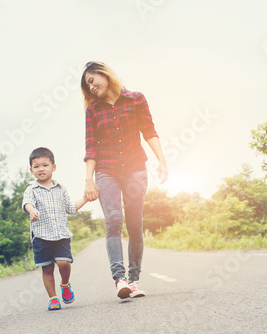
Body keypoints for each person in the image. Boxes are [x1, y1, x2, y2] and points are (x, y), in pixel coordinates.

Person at [80, 61, 168, 299]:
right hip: (106, 170)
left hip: (134, 168)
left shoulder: (136, 98)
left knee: (134, 223)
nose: (91, 88)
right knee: (114, 220)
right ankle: (120, 280)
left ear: (105, 75)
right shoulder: (92, 111)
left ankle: (135, 280)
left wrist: (162, 161)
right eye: (87, 86)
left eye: (92, 81)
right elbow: (91, 149)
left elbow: (149, 131)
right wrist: (89, 180)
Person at [22, 147, 89, 310]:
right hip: (41, 236)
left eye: (45, 165)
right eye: (36, 166)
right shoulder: (31, 190)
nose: (41, 169)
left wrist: (86, 198)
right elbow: (27, 204)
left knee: (63, 263)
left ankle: (65, 284)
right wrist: (32, 211)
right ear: (31, 170)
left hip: (61, 235)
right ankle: (53, 298)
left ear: (54, 167)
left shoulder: (61, 188)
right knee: (47, 268)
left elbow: (71, 209)